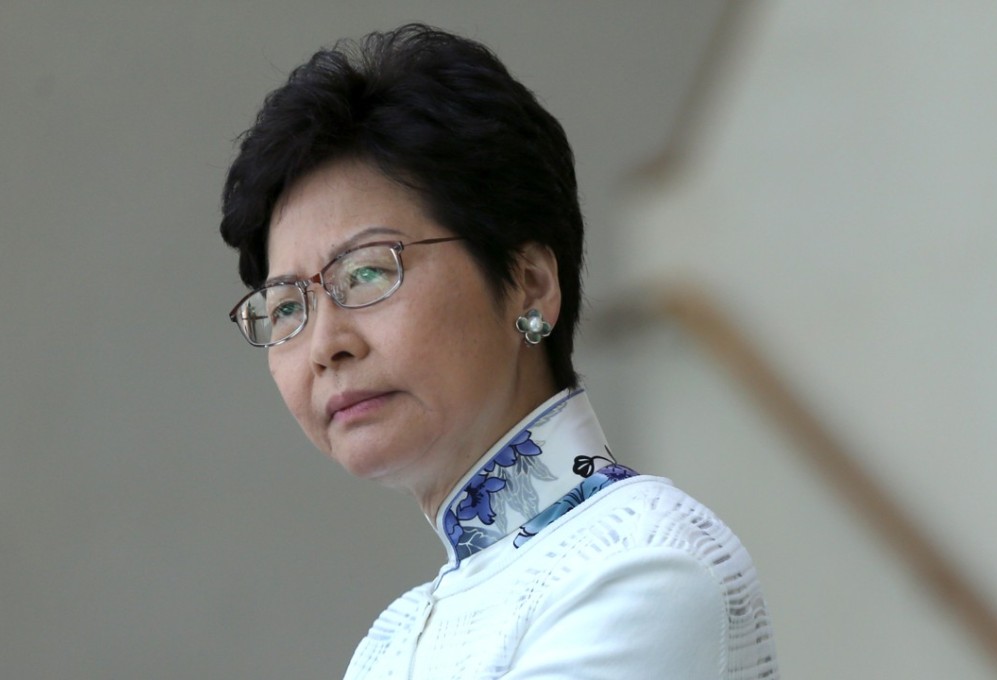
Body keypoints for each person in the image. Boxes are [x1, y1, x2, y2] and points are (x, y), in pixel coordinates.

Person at [220, 23, 778, 679]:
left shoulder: (641, 563)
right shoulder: (396, 636)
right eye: (287, 306)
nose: (324, 346)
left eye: (368, 273)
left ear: (530, 286)